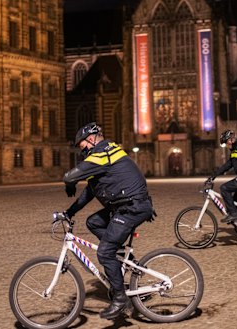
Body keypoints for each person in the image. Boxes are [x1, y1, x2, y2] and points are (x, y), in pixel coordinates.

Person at [63, 122, 154, 320]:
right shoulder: (104, 156)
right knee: (94, 222)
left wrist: (69, 180)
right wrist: (70, 212)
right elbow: (89, 193)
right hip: (126, 205)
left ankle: (120, 299)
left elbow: (71, 174)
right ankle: (122, 255)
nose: (83, 151)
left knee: (104, 252)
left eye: (82, 146)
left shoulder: (103, 152)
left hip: (132, 207)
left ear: (91, 139)